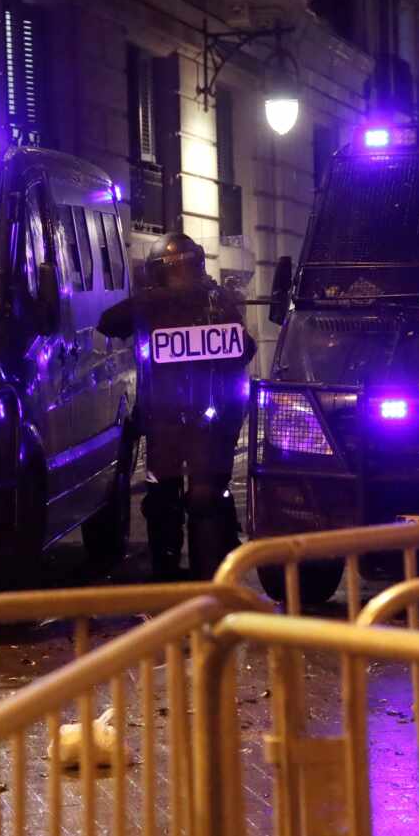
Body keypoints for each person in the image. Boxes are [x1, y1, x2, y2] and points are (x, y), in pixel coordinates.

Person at [97, 233, 254, 579]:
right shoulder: (205, 300)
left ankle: (187, 575)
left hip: (200, 418)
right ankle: (192, 574)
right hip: (169, 418)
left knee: (200, 496)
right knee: (172, 497)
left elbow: (243, 348)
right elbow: (108, 323)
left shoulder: (214, 300)